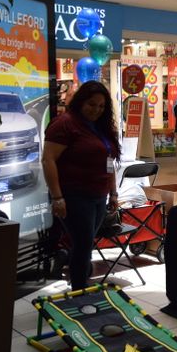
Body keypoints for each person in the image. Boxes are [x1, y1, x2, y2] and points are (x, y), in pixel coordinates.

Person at [42, 81, 121, 291]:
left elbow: (108, 161)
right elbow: (48, 160)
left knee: (85, 243)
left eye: (101, 106)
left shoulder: (100, 127)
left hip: (98, 195)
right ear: (80, 102)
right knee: (83, 243)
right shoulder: (65, 124)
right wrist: (57, 197)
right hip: (73, 195)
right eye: (91, 104)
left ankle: (79, 282)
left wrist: (113, 192)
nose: (96, 110)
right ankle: (79, 290)